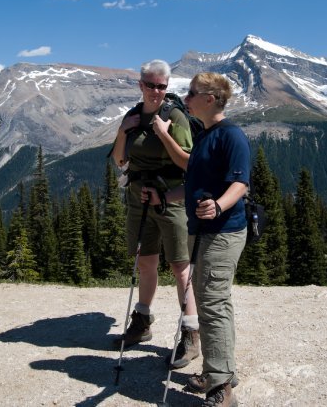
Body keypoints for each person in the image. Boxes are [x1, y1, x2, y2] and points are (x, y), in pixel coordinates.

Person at [142, 72, 250, 407]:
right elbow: (193, 184)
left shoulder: (232, 136)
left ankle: (220, 388)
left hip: (223, 232)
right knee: (213, 302)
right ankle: (221, 371)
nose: (185, 99)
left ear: (211, 98)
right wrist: (165, 197)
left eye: (191, 94)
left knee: (213, 303)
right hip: (202, 230)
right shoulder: (205, 135)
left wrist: (218, 205)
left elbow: (240, 184)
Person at [111, 59, 200, 369]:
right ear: (141, 85)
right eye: (150, 85)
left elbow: (189, 163)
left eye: (162, 86)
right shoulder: (132, 117)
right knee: (145, 260)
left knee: (180, 266)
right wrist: (123, 131)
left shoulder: (175, 117)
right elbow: (120, 160)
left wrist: (164, 134)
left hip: (171, 200)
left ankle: (191, 333)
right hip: (138, 199)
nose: (156, 91)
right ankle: (143, 320)